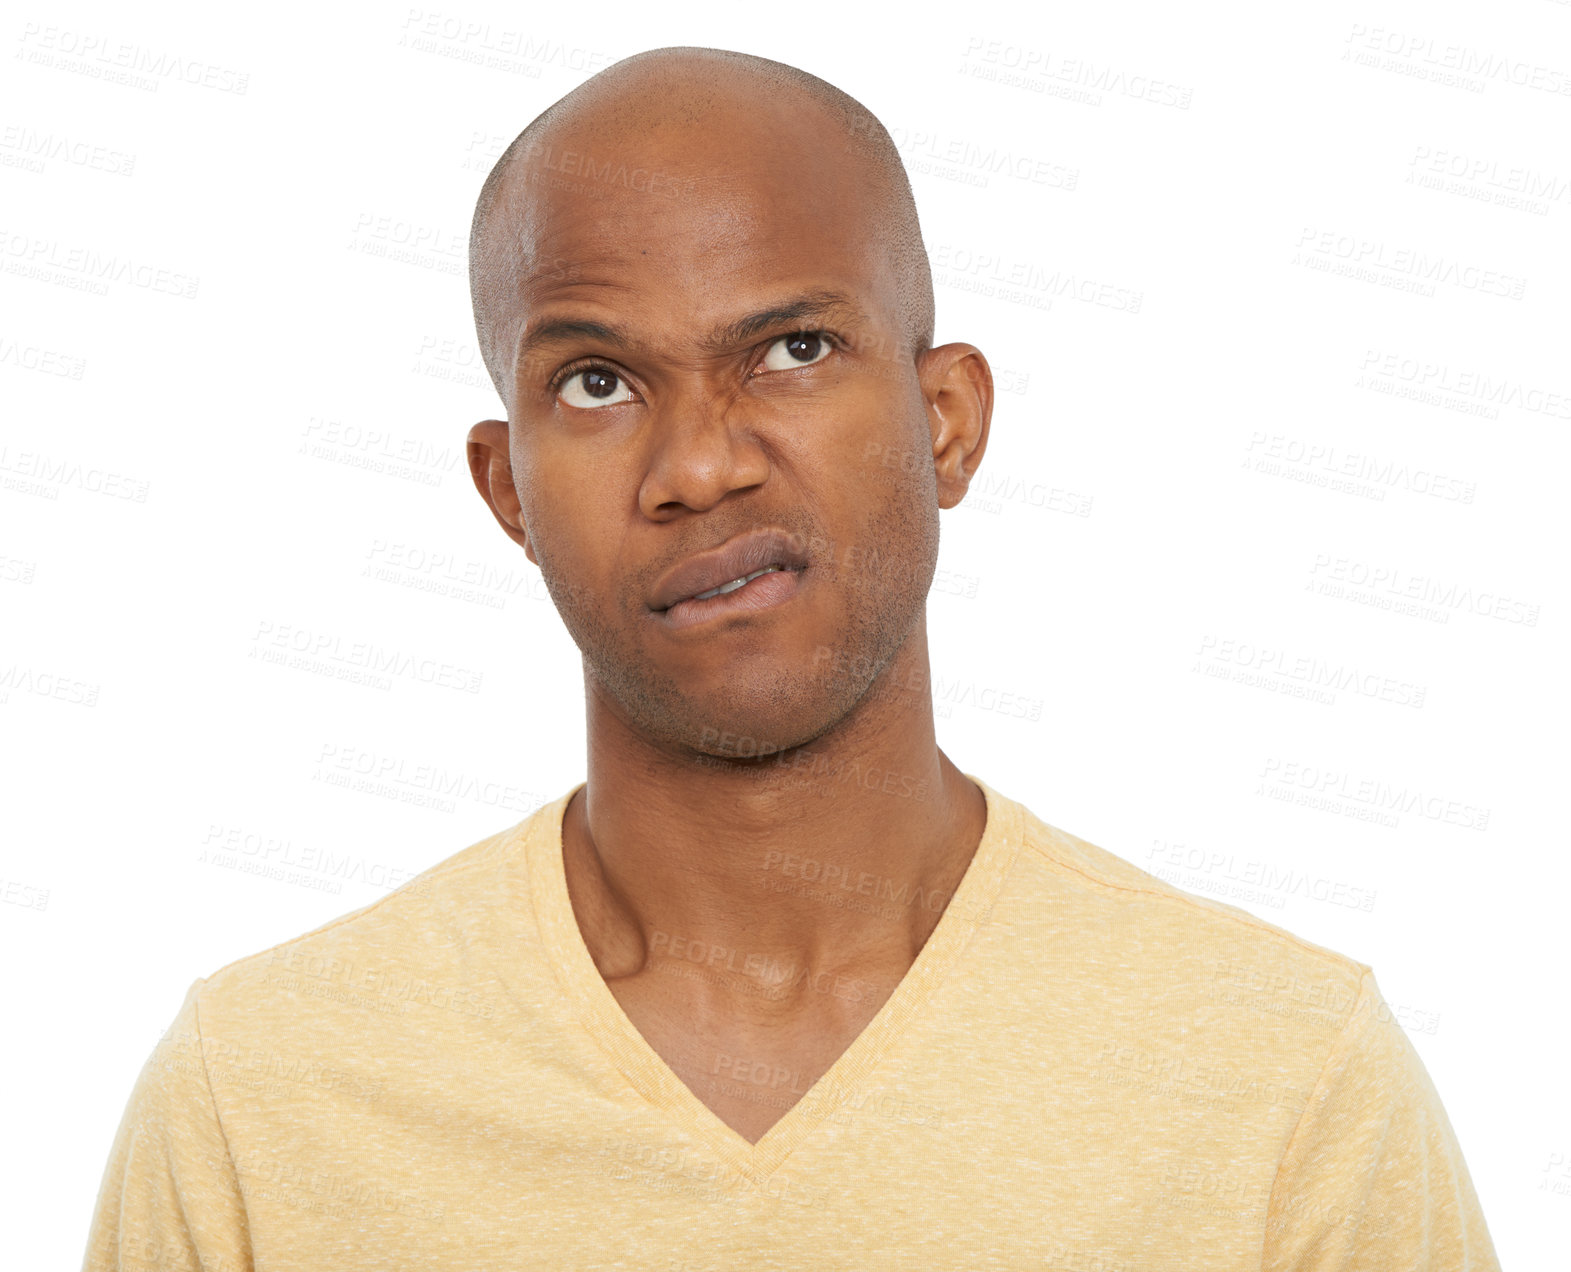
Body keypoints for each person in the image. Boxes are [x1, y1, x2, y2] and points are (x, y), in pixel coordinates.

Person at [83, 46, 1500, 1270]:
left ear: (945, 422)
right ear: (507, 490)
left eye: (794, 349)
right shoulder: (262, 1107)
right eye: (597, 380)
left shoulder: (1280, 1088)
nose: (699, 465)